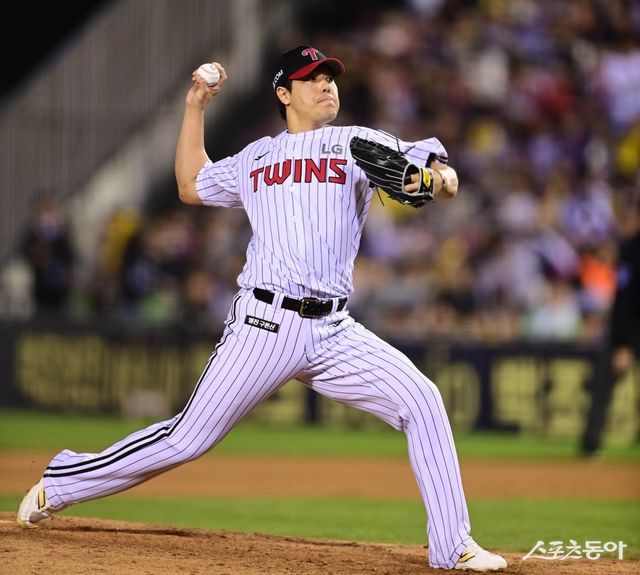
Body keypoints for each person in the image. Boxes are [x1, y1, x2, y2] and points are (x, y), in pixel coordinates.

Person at [18, 45, 507, 572]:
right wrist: (195, 106)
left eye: (330, 77)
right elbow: (190, 184)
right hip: (264, 323)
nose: (327, 84)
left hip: (334, 329)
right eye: (312, 78)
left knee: (422, 399)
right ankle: (63, 481)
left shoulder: (356, 142)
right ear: (283, 94)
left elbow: (434, 172)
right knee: (187, 439)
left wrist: (438, 180)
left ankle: (452, 546)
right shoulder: (257, 158)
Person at [581, 192, 640, 456]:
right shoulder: (629, 248)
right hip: (626, 334)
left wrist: (624, 344)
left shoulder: (631, 248)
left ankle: (591, 443)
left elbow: (625, 302)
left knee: (603, 388)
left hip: (627, 334)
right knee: (603, 385)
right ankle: (591, 443)